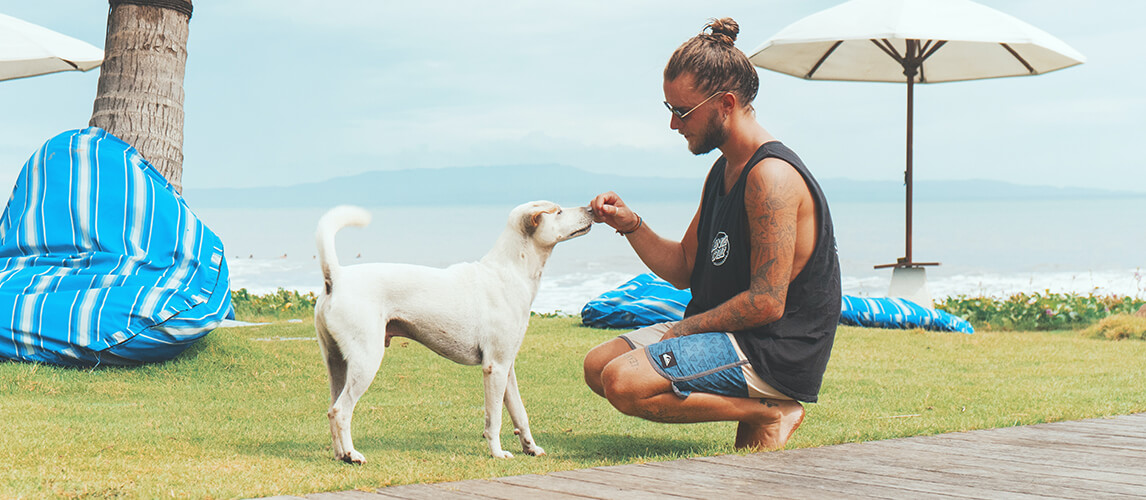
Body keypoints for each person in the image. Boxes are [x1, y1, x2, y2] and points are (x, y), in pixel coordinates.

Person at [584, 17, 841, 450]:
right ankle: (760, 413)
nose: (673, 125)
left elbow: (766, 301)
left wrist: (685, 331)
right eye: (669, 109)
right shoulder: (723, 169)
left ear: (725, 103)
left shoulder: (771, 177)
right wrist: (631, 225)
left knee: (624, 381)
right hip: (729, 334)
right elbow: (685, 267)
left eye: (682, 111)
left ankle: (771, 411)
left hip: (772, 349)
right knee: (599, 365)